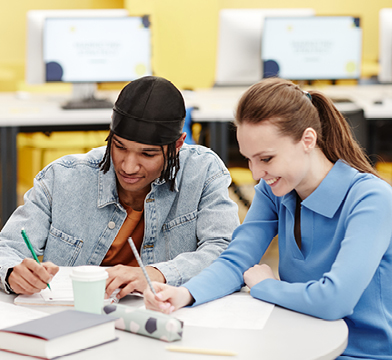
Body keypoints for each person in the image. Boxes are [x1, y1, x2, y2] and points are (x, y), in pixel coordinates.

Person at [144, 77, 392, 359]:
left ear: (307, 140)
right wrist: (185, 294)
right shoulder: (276, 189)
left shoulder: (372, 199)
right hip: (296, 343)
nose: (255, 174)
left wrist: (266, 287)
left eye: (266, 159)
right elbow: (236, 260)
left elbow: (335, 300)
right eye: (249, 159)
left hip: (359, 354)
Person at [0, 76, 239, 299]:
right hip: (74, 320)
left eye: (147, 155)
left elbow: (226, 251)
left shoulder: (203, 172)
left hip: (161, 320)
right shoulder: (62, 179)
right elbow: (2, 252)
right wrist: (13, 274)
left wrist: (157, 274)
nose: (128, 166)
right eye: (120, 147)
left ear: (178, 145)